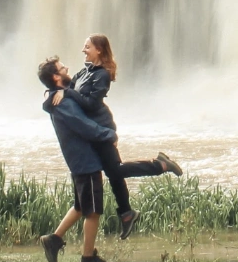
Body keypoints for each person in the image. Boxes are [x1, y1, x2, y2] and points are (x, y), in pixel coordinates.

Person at [55, 34, 182, 237]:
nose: (83, 50)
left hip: (101, 128)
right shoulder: (84, 72)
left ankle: (160, 165)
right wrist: (55, 92)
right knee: (114, 171)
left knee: (115, 170)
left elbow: (91, 103)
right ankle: (126, 213)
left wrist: (68, 94)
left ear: (99, 50)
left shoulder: (102, 75)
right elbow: (69, 88)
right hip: (92, 130)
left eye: (87, 46)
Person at [35, 56, 119, 262]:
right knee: (93, 211)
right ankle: (88, 259)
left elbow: (80, 81)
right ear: (56, 76)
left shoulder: (61, 96)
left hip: (80, 159)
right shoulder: (61, 102)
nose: (67, 68)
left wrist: (66, 89)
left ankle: (53, 239)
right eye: (63, 68)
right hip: (85, 160)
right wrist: (109, 134)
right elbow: (83, 126)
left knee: (82, 206)